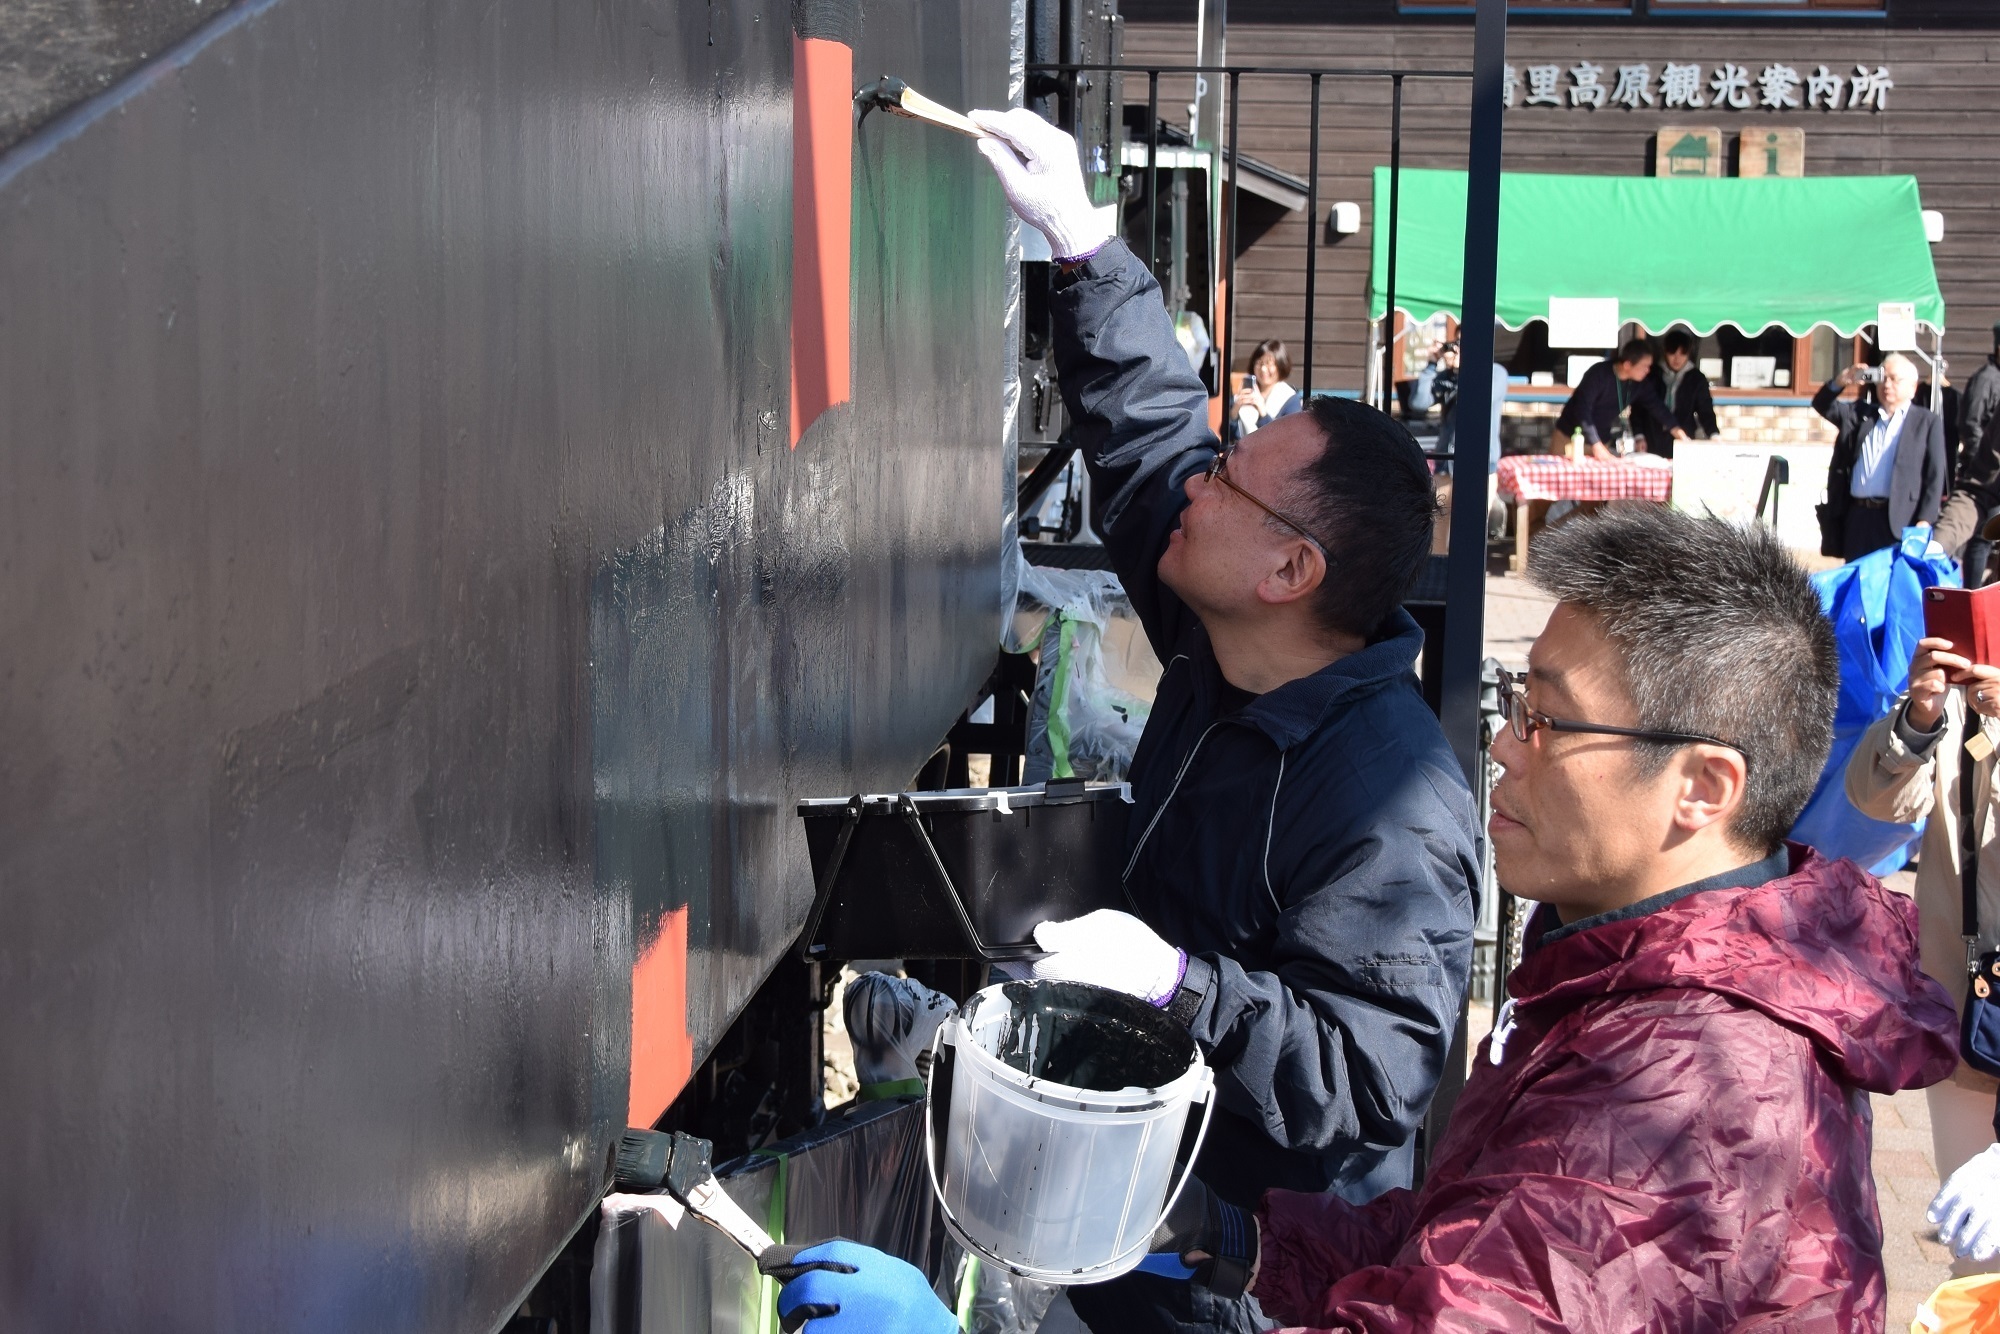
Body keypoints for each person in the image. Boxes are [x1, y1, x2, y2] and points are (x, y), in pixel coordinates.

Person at [772, 506, 1959, 1332]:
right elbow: (1467, 1234)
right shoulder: (1633, 977)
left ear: (1701, 787)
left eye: (1545, 720)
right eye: (1513, 706)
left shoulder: (1690, 1089)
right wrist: (1220, 1231)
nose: (1501, 742)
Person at [967, 105, 1480, 1334]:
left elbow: (1366, 1079)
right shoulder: (1229, 633)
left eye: (1232, 479)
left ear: (1290, 571)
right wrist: (1089, 251)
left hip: (1243, 1270)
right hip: (1137, 1182)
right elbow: (1152, 443)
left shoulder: (1387, 801)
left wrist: (1179, 984)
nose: (1198, 481)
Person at [1846, 634, 2000, 1259]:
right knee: (1977, 1250)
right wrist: (1921, 716)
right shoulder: (1967, 701)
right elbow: (1877, 799)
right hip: (1973, 1003)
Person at [1814, 352, 1948, 562]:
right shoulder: (1861, 415)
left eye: (1894, 379)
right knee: (1858, 583)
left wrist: (1925, 520)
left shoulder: (1926, 422)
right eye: (1883, 378)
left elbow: (1935, 474)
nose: (1887, 385)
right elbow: (1822, 404)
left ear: (1912, 388)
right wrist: (1843, 380)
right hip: (1859, 517)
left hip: (1900, 519)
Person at [1410, 337, 1509, 539]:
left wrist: (1465, 369)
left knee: (1471, 532)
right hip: (1447, 462)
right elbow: (1419, 403)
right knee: (1436, 530)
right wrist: (1431, 365)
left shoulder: (1496, 372)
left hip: (1480, 464)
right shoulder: (1448, 376)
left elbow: (1478, 399)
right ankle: (1437, 569)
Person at [1551, 339, 1685, 460]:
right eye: (1644, 366)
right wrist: (1596, 445)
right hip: (1570, 437)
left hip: (1601, 440)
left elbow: (1658, 408)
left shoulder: (1639, 383)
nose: (1648, 370)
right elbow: (1582, 410)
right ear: (1627, 365)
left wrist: (1680, 434)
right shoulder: (1598, 374)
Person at [1954, 321, 2000, 588]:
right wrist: (1985, 459)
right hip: (1985, 475)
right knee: (1983, 537)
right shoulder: (1986, 379)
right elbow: (1970, 424)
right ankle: (1971, 589)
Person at [1640, 327, 1717, 458]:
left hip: (1683, 438)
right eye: (1672, 353)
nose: (1677, 358)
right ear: (1665, 351)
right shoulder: (1652, 374)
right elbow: (1639, 408)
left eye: (1682, 353)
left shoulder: (1696, 378)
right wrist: (1638, 435)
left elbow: (1705, 410)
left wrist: (1714, 434)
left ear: (1689, 354)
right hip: (1651, 438)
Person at [1230, 338, 1301, 440]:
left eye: (1269, 364)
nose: (1263, 369)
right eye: (1259, 363)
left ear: (1280, 366)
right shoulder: (1242, 392)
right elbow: (1229, 435)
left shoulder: (1289, 398)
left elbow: (1288, 438)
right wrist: (1234, 411)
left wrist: (1262, 412)